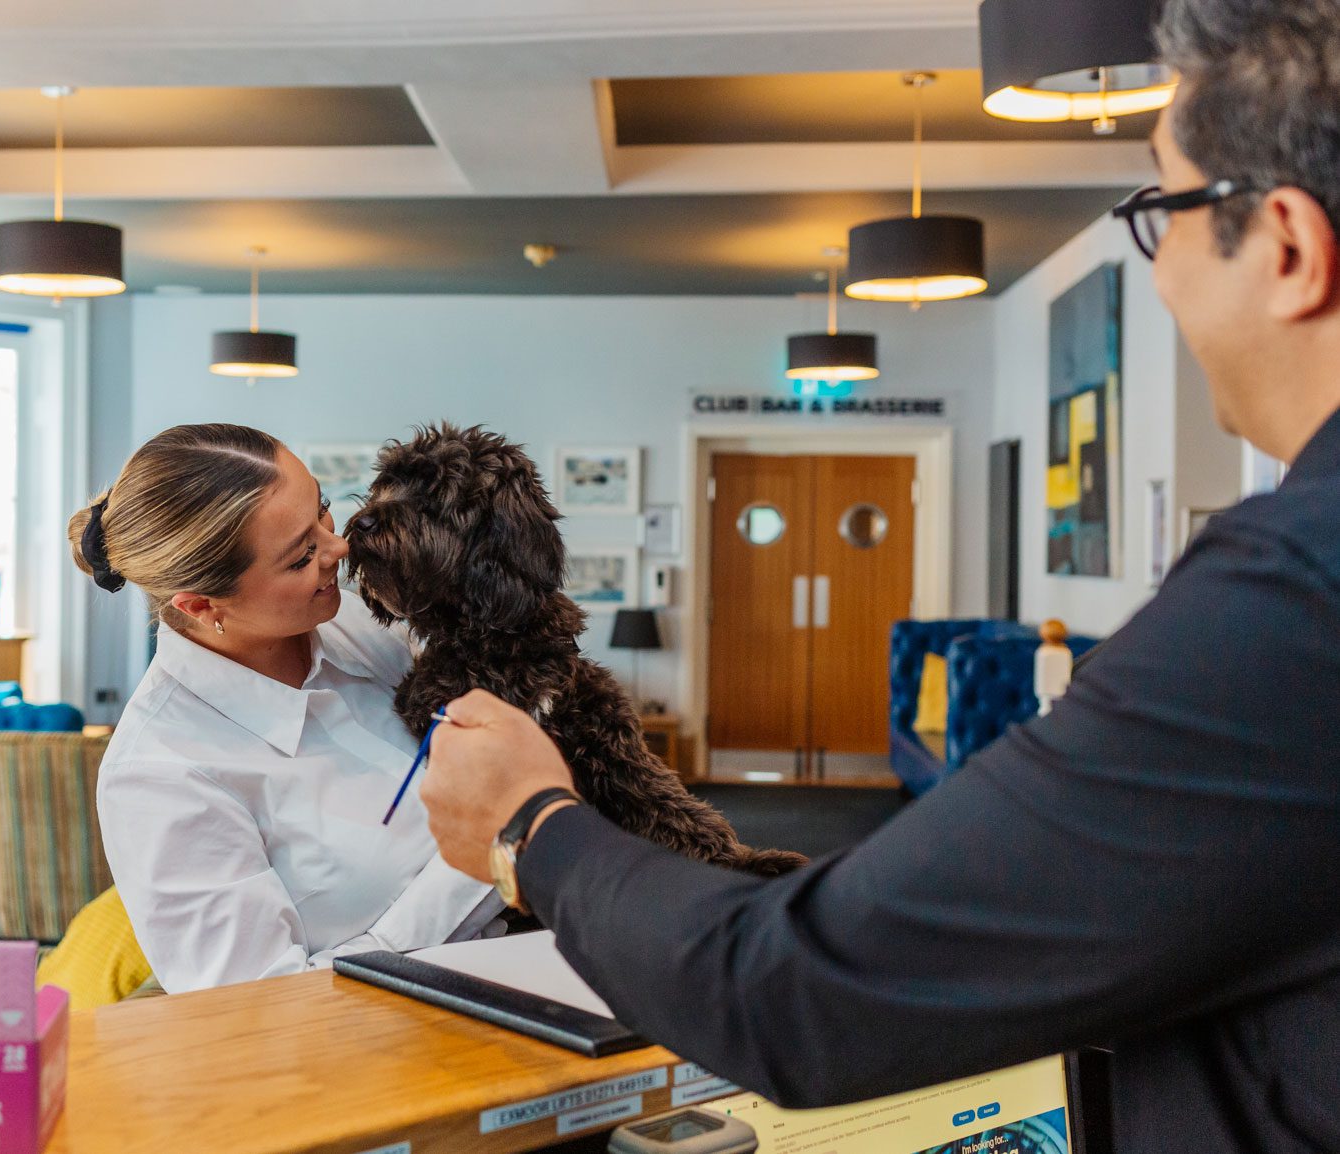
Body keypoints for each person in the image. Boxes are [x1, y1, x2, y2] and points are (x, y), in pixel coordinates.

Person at [418, 1, 1340, 1149]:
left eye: (1166, 213)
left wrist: (531, 823)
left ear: (1288, 246)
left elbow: (786, 989)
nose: (1160, 278)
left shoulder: (1297, 592)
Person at [73, 424, 497, 993]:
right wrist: (479, 863)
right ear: (200, 605)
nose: (339, 549)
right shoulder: (159, 775)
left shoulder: (360, 624)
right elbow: (262, 1003)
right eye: (301, 557)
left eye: (322, 509)